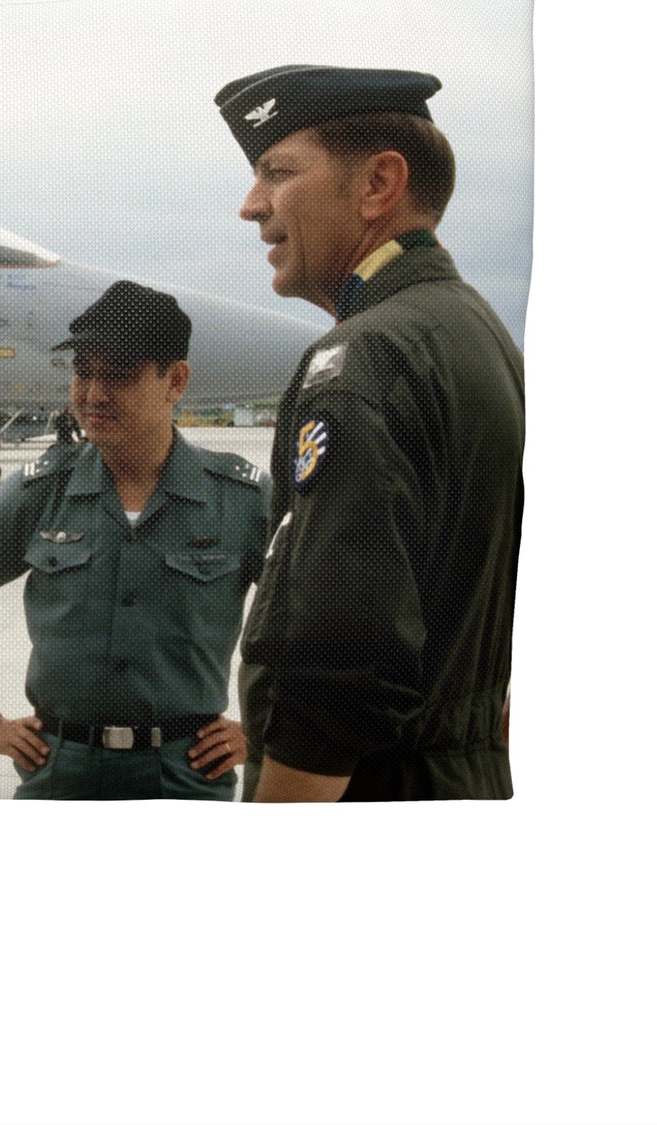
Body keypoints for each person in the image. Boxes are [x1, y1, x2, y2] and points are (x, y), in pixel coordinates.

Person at [217, 63, 524, 802]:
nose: (250, 205)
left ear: (378, 185)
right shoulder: (475, 330)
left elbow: (338, 657)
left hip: (371, 791)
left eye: (276, 171)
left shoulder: (363, 359)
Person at [0, 281, 268, 800]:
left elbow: (315, 633)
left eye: (120, 377)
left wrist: (262, 730)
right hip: (60, 774)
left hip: (184, 778)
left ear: (175, 381)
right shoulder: (40, 492)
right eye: (84, 372)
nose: (94, 393)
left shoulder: (241, 499)